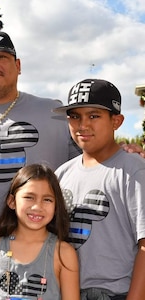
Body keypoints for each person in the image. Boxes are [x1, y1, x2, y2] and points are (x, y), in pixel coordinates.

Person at [0, 30, 145, 218]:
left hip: (42, 252)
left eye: (2, 56)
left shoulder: (55, 114)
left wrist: (124, 153)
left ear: (18, 65)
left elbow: (92, 161)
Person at [54, 78, 145, 299]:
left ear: (117, 121)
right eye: (75, 116)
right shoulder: (61, 174)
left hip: (116, 292)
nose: (83, 125)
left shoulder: (133, 170)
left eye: (94, 116)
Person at [0, 163, 80, 300]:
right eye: (29, 197)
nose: (37, 206)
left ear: (56, 207)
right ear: (12, 202)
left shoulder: (64, 253)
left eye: (47, 199)